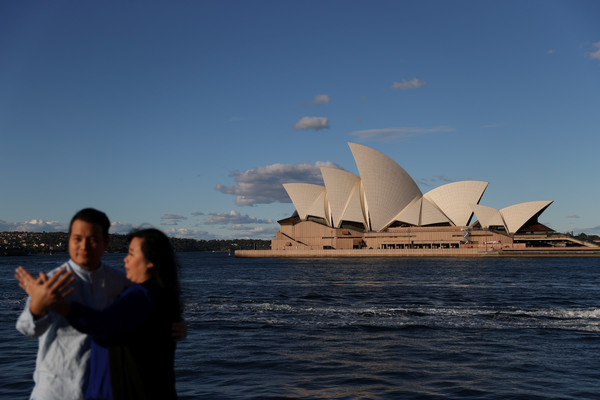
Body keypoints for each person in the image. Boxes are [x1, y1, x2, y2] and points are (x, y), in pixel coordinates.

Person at [18, 228, 183, 400]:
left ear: (151, 261)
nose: (125, 259)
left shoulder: (141, 296)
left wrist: (54, 302)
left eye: (132, 254)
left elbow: (102, 324)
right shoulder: (158, 296)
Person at [16, 208, 130, 400]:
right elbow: (27, 328)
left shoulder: (120, 283)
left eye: (93, 239)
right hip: (56, 391)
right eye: (77, 239)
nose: (84, 246)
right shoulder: (52, 281)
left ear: (106, 242)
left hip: (104, 390)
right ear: (69, 240)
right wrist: (38, 305)